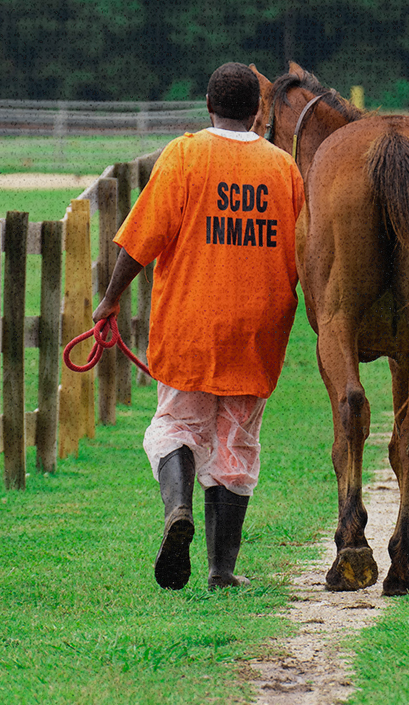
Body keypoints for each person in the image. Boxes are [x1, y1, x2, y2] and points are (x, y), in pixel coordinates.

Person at [92, 62, 306, 590]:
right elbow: (307, 255)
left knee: (176, 427)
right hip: (258, 330)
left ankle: (178, 509)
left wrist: (110, 301)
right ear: (259, 111)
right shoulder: (284, 169)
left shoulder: (184, 155)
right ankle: (221, 570)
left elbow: (141, 240)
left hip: (189, 324)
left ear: (208, 104)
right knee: (236, 443)